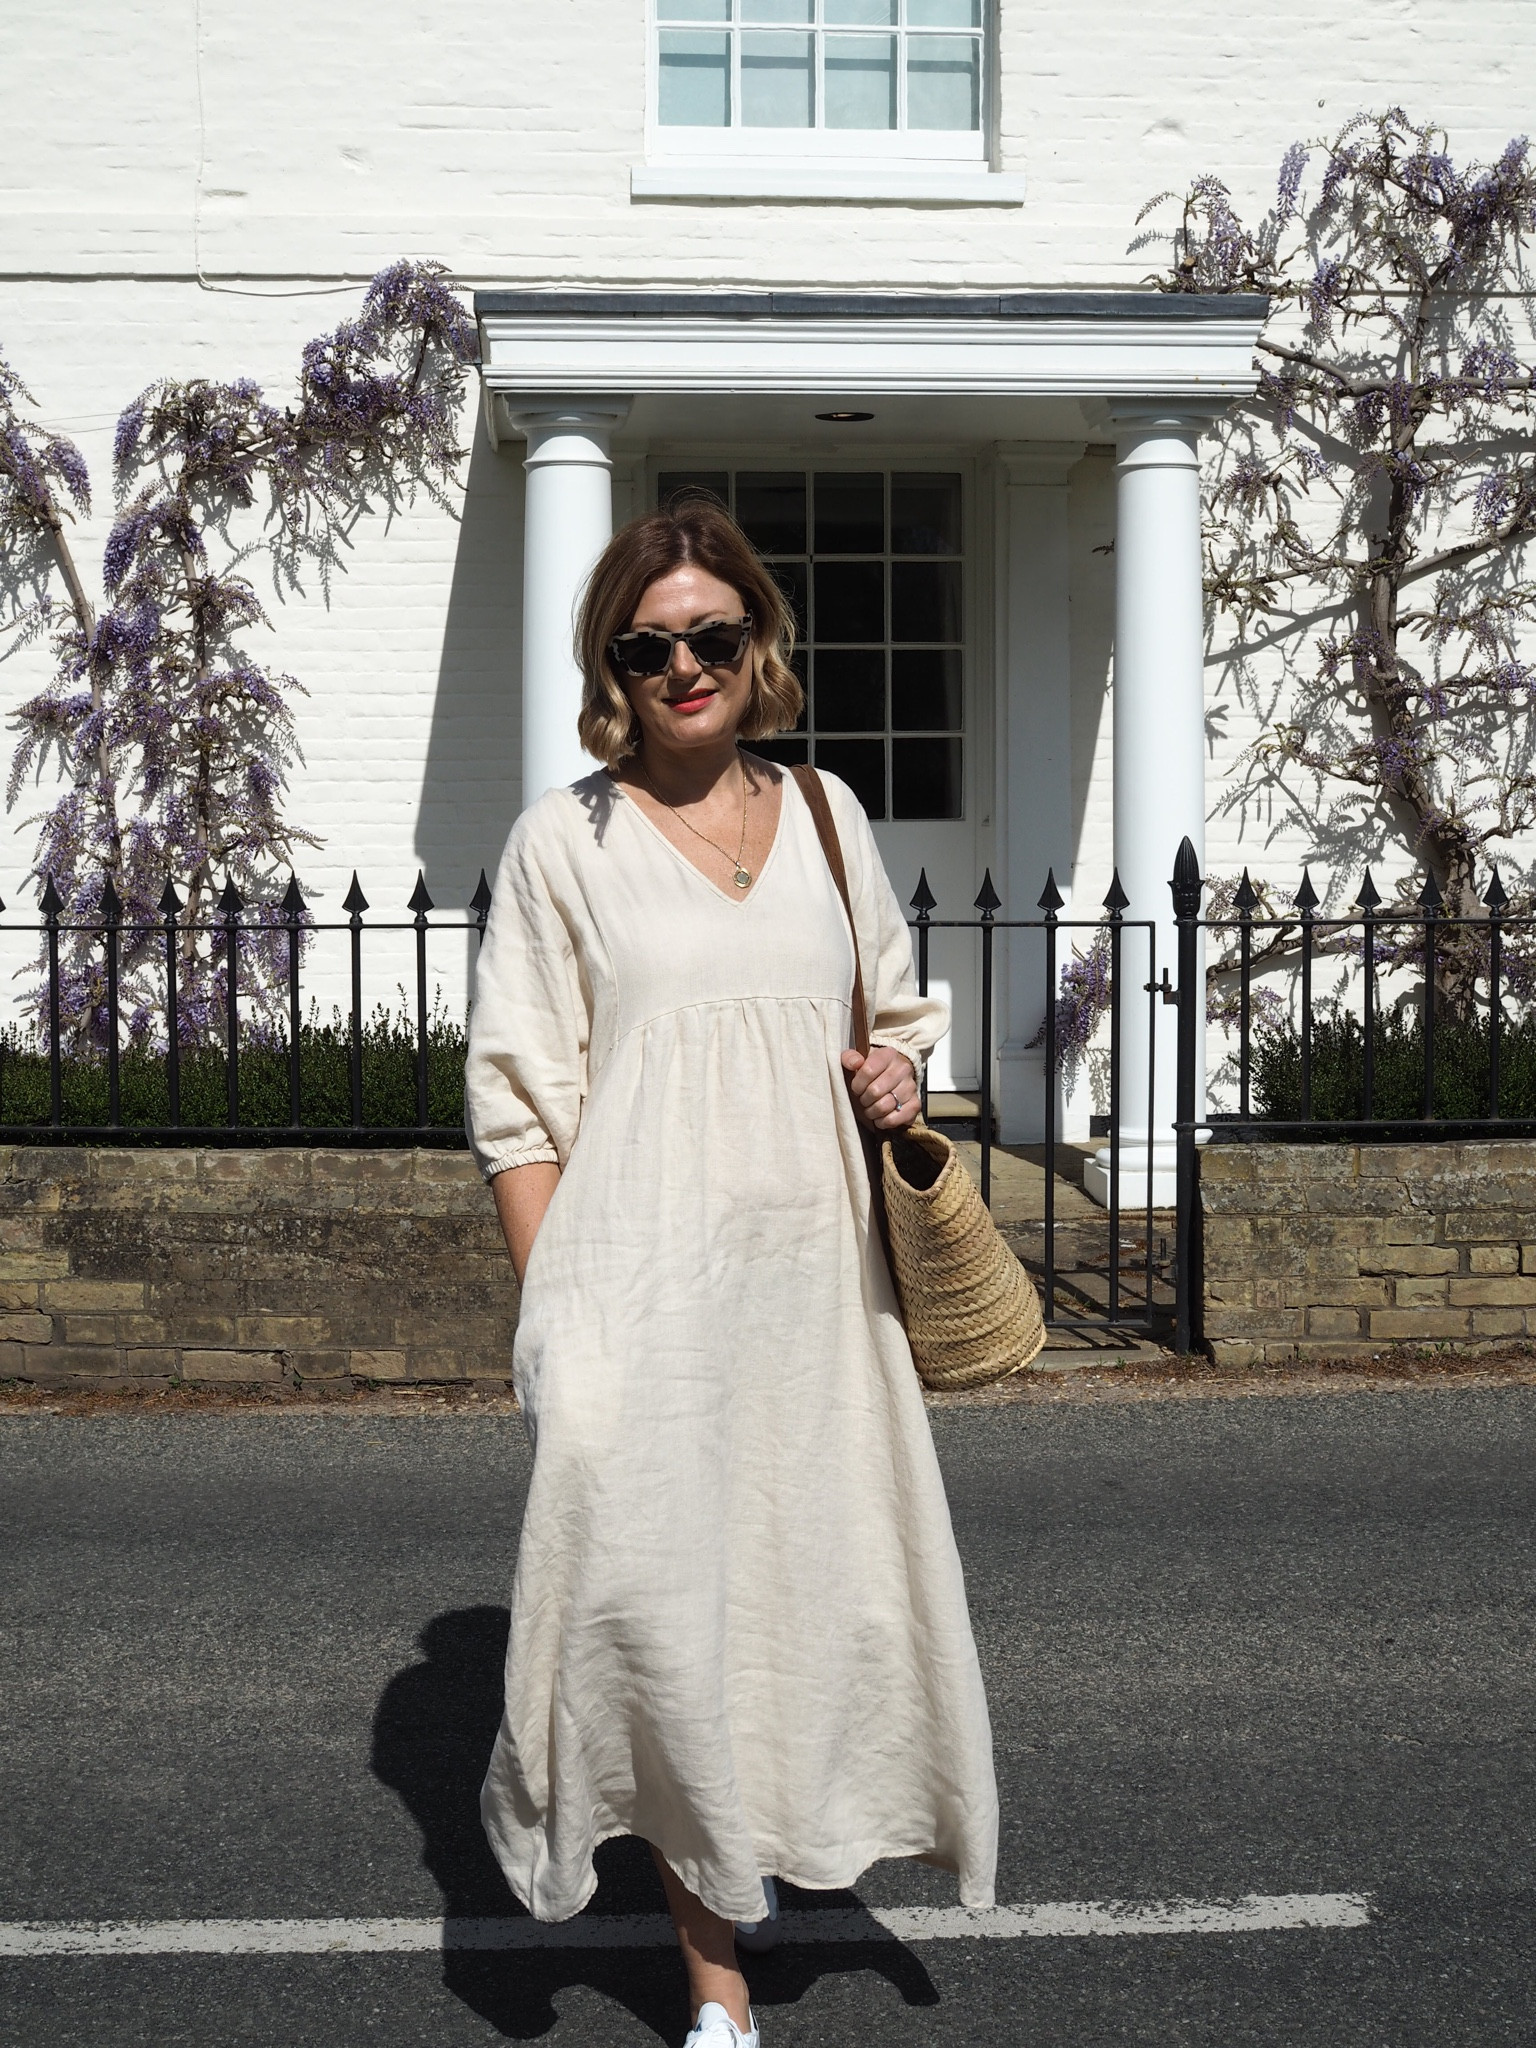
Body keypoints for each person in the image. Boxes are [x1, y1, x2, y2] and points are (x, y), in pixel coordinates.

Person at [464, 497, 998, 2047]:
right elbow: (518, 1105)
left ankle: (773, 1842)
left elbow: (889, 1019)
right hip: (636, 1293)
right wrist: (556, 1324)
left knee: (801, 1594)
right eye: (649, 647)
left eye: (711, 634)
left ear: (757, 640)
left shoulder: (829, 814)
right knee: (659, 1609)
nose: (684, 666)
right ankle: (715, 1980)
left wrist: (898, 1080)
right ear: (613, 670)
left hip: (817, 1299)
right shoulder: (565, 842)